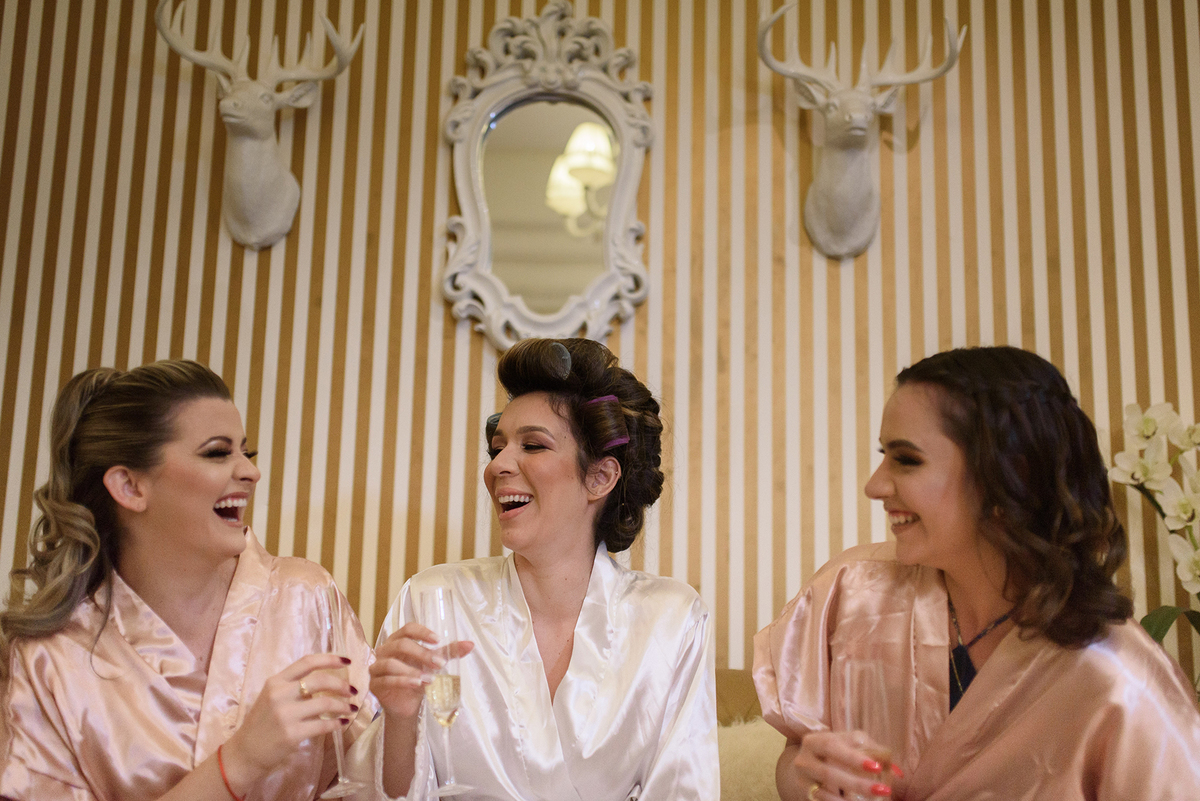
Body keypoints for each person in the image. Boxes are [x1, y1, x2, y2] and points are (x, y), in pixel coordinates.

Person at [754, 346, 1200, 801]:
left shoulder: (1120, 679)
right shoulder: (848, 594)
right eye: (884, 455)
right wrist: (812, 782)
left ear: (1008, 476)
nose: (875, 485)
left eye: (906, 459)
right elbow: (797, 756)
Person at [0, 360, 377, 800]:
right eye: (217, 453)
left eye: (247, 453)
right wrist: (240, 761)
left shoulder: (304, 595)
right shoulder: (48, 660)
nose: (251, 472)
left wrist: (401, 717)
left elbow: (366, 782)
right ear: (130, 486)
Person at [363, 338, 719, 800]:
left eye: (532, 445)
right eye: (497, 448)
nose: (497, 466)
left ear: (600, 477)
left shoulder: (672, 619)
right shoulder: (432, 599)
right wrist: (399, 718)